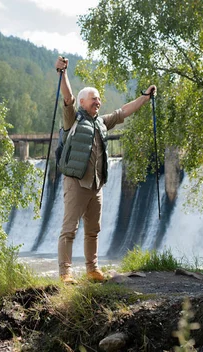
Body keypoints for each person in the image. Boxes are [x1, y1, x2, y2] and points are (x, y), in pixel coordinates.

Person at [54, 56, 156, 284]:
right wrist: (64, 73)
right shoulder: (72, 120)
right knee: (69, 229)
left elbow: (123, 113)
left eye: (99, 99)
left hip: (96, 185)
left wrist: (145, 98)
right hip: (76, 182)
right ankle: (66, 273)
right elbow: (68, 98)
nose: (98, 102)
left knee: (93, 230)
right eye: (93, 99)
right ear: (83, 102)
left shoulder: (101, 122)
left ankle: (92, 270)